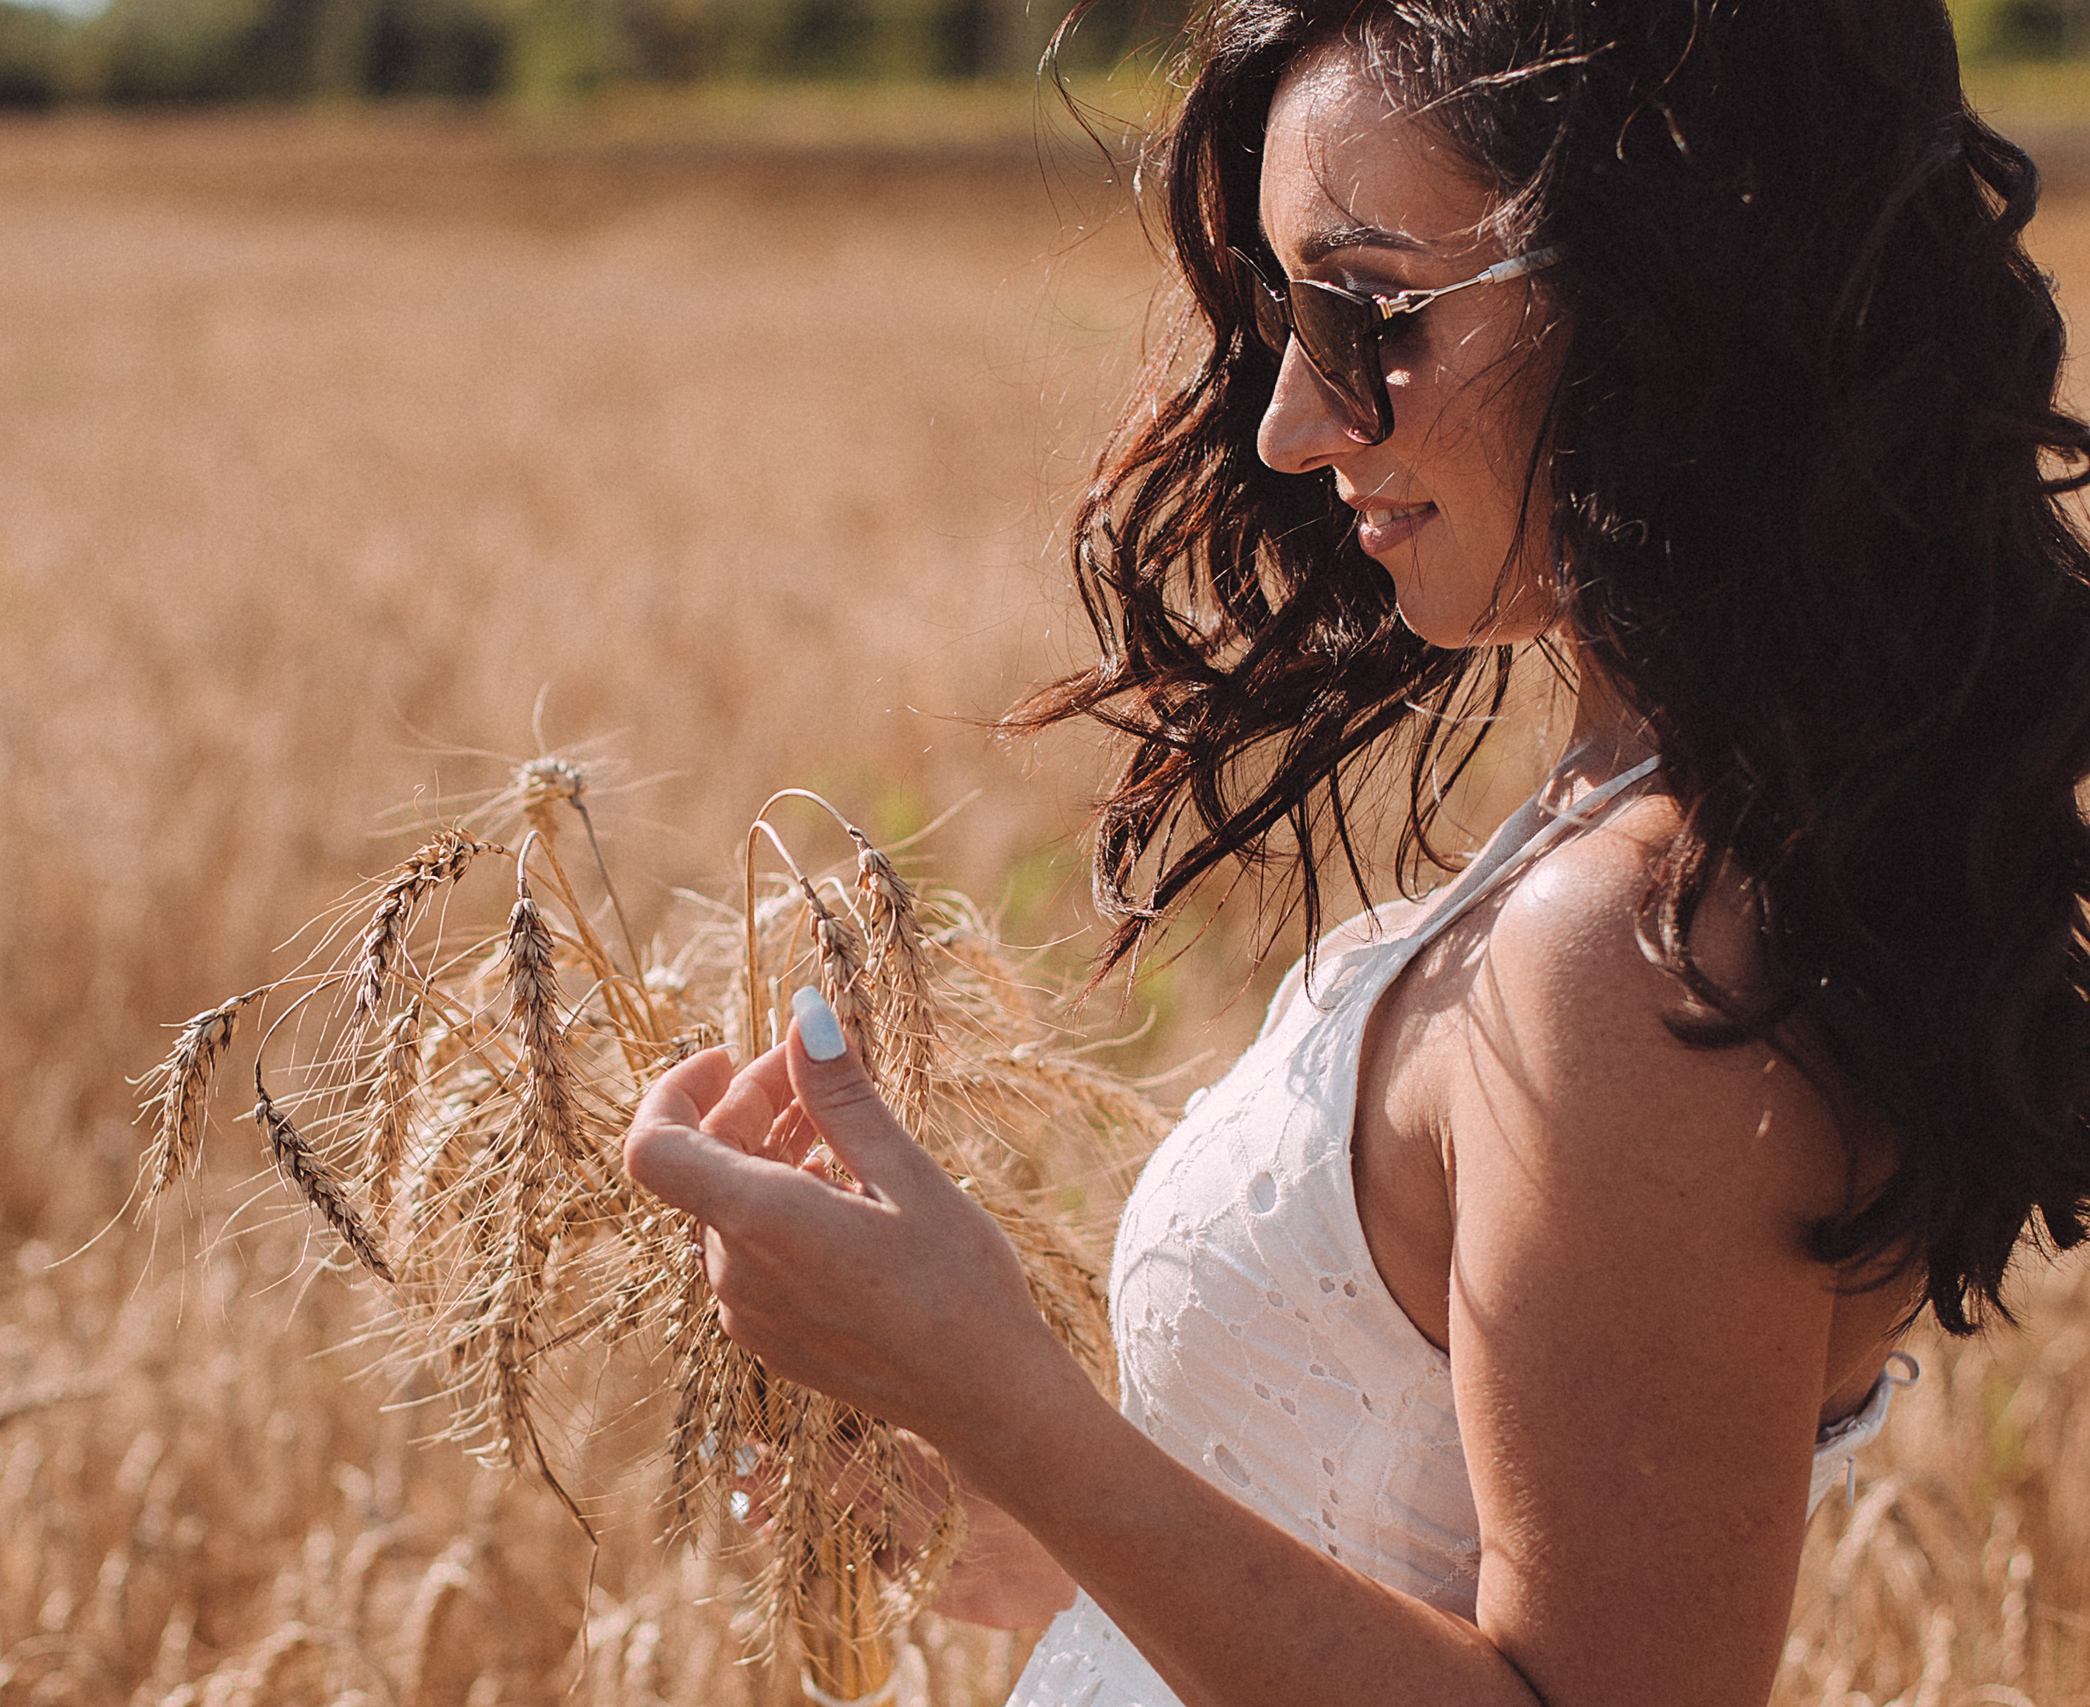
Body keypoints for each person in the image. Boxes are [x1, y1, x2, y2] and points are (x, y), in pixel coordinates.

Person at [624, 1, 2090, 1702]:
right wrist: (995, 1491)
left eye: (1363, 312)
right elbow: (1376, 1538)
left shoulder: (1632, 955)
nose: (1288, 428)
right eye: (1275, 313)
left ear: (1670, 284)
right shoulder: (1620, 844)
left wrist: (997, 1396)